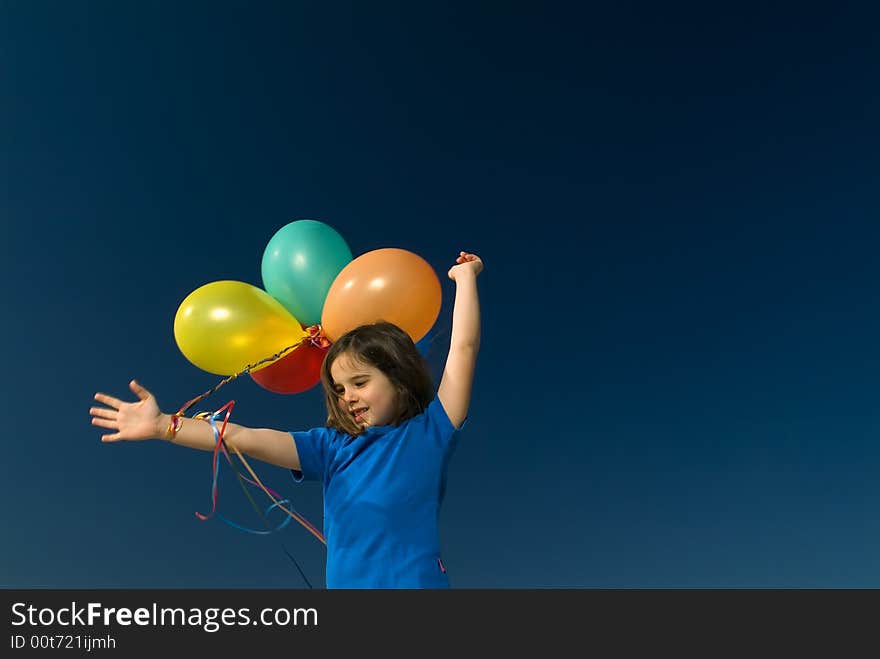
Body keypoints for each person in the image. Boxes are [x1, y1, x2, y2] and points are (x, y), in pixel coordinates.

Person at [90, 251, 483, 588]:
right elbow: (245, 437)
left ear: (396, 377)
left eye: (360, 382)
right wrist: (165, 427)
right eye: (339, 389)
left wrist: (465, 278)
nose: (349, 397)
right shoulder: (331, 448)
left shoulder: (430, 432)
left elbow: (463, 348)